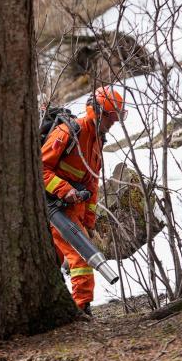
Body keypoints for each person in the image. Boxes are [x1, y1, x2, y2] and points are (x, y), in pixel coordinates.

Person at [41, 86, 126, 317]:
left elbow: (92, 185)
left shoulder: (97, 142)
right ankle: (82, 308)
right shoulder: (68, 132)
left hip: (73, 210)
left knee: (52, 260)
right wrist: (65, 190)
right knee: (81, 257)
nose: (113, 123)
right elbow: (40, 167)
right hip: (55, 208)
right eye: (111, 116)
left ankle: (51, 307)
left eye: (117, 117)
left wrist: (89, 222)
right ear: (97, 111)